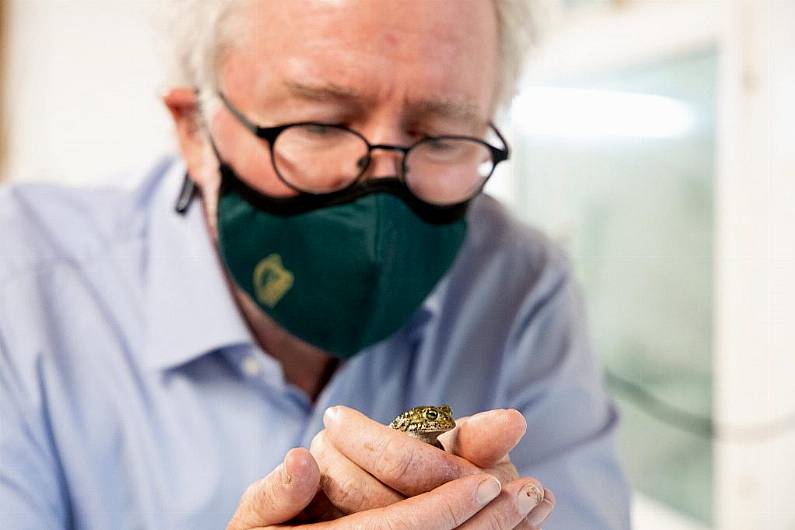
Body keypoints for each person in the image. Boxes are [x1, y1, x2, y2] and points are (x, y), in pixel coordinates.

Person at [0, 1, 631, 529]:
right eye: (321, 123)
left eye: (440, 135)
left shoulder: (521, 286)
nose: (379, 199)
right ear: (195, 130)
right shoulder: (23, 285)